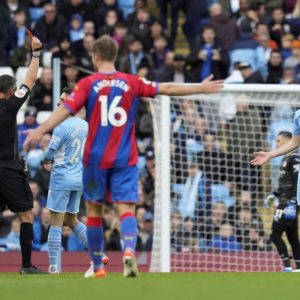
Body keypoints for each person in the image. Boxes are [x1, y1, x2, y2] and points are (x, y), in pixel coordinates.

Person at [23, 35, 223, 278]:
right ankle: (129, 251)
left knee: (94, 211)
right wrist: (200, 88)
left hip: (96, 159)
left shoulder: (88, 84)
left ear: (96, 57)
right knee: (126, 209)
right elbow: (167, 88)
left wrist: (40, 130)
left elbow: (65, 110)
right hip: (125, 157)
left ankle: (97, 265)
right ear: (115, 56)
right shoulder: (130, 81)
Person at [42, 87, 108, 274]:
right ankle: (99, 254)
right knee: (71, 219)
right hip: (79, 178)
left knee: (56, 221)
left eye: (61, 102)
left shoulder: (62, 126)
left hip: (62, 178)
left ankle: (53, 266)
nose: (58, 106)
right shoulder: (86, 125)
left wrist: (43, 160)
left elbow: (49, 153)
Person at [0, 35, 46, 274]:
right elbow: (30, 79)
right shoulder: (10, 106)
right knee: (26, 213)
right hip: (7, 168)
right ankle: (27, 265)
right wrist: (36, 53)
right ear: (11, 91)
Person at [253, 131, 300, 272]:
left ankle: (286, 265)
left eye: (279, 141)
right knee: (292, 235)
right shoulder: (285, 159)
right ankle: (298, 267)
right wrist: (274, 194)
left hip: (288, 203)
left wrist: (293, 201)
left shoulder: (295, 158)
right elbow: (286, 184)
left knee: (274, 234)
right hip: (285, 200)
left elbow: (298, 181)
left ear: (287, 141)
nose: (276, 143)